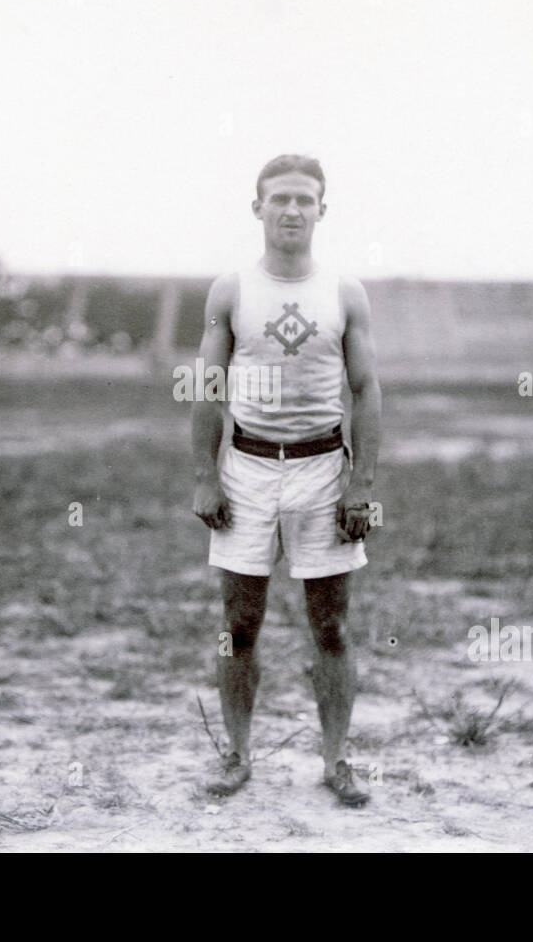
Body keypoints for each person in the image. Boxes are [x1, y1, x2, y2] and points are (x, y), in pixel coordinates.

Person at [191, 154, 382, 807]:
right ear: (258, 208)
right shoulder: (232, 291)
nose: (293, 210)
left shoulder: (344, 293)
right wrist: (204, 476)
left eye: (305, 200)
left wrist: (361, 485)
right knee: (238, 622)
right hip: (245, 469)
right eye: (280, 199)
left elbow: (367, 389)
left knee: (330, 626)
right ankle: (237, 753)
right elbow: (208, 389)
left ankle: (336, 760)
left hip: (323, 469)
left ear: (322, 210)